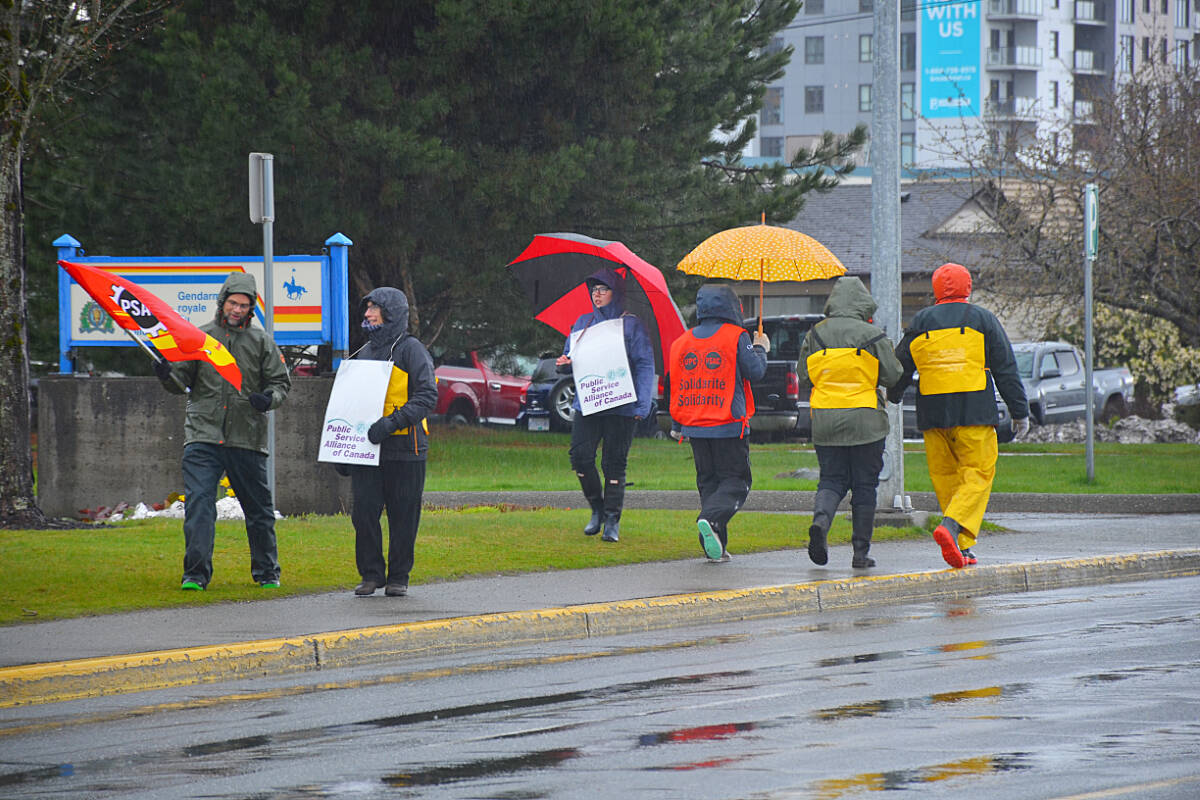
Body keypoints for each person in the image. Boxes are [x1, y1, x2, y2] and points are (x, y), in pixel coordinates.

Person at [887, 262, 1031, 569]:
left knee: (947, 478)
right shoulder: (982, 319)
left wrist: (894, 395)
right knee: (977, 474)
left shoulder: (920, 321)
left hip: (933, 414)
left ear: (936, 289)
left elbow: (901, 365)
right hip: (974, 410)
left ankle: (962, 547)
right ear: (968, 288)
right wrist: (1020, 412)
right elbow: (1006, 368)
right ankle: (952, 528)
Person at [156, 272, 291, 590]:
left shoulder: (262, 342)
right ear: (222, 301)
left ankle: (267, 572)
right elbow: (180, 383)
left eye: (244, 305)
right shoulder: (200, 338)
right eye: (232, 302)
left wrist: (268, 399)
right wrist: (165, 374)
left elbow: (281, 383)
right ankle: (195, 575)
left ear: (251, 308)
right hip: (203, 436)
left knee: (258, 509)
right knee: (199, 506)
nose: (237, 309)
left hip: (247, 438)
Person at [796, 277, 903, 569]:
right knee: (865, 485)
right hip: (866, 422)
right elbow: (893, 376)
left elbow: (804, 375)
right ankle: (860, 553)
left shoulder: (815, 334)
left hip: (826, 421)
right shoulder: (873, 334)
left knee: (831, 479)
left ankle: (820, 522)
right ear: (862, 304)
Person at [343, 287, 438, 597]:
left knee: (403, 515)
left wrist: (391, 423)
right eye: (367, 308)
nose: (367, 314)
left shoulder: (412, 350)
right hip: (368, 450)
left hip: (406, 450)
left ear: (391, 312)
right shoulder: (362, 352)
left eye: (374, 308)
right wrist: (340, 449)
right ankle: (371, 575)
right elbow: (349, 404)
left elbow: (426, 397)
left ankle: (399, 576)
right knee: (363, 513)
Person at [668, 283, 768, 562]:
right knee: (736, 481)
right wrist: (760, 348)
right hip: (728, 423)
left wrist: (677, 422)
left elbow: (676, 383)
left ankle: (716, 546)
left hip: (694, 424)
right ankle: (709, 521)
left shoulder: (682, 341)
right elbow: (756, 371)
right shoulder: (737, 336)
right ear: (732, 307)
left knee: (709, 483)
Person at [555, 267, 655, 543]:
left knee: (614, 463)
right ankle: (597, 509)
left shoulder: (632, 324)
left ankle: (612, 519)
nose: (596, 295)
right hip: (589, 403)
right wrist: (564, 364)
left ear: (616, 292)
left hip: (622, 406)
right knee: (580, 457)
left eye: (603, 289)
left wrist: (643, 405)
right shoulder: (582, 323)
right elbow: (569, 358)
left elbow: (645, 364)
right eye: (593, 290)